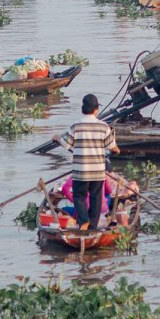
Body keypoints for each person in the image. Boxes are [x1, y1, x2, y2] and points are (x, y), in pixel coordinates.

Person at [61, 94, 119, 229]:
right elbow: (112, 147)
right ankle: (92, 225)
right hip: (98, 171)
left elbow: (66, 144)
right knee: (96, 198)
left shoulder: (75, 126)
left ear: (83, 109)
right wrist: (117, 150)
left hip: (80, 171)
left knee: (79, 196)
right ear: (96, 110)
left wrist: (58, 138)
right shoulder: (104, 127)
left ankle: (83, 221)